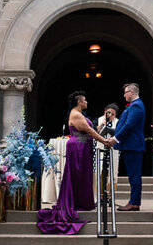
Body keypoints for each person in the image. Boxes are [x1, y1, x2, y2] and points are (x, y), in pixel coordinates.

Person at [37, 92, 114, 235]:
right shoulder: (76, 114)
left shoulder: (80, 114)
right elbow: (88, 131)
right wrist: (104, 141)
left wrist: (101, 128)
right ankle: (77, 201)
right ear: (79, 102)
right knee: (77, 174)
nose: (87, 102)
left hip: (83, 148)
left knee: (83, 175)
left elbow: (91, 130)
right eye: (85, 100)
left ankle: (81, 201)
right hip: (78, 148)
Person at [112, 83, 146, 211]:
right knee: (133, 175)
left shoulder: (136, 106)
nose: (124, 95)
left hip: (133, 146)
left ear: (132, 92)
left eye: (126, 92)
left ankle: (134, 202)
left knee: (134, 175)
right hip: (130, 146)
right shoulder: (134, 105)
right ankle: (134, 201)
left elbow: (129, 125)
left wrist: (116, 138)